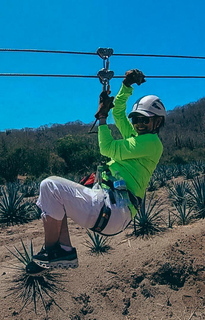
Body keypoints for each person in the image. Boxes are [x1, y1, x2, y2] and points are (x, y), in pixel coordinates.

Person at [32, 69, 166, 269]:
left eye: (145, 120)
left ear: (158, 121)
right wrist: (126, 87)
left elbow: (108, 148)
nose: (139, 124)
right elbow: (119, 113)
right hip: (111, 207)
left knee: (50, 186)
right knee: (56, 200)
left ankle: (52, 252)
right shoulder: (137, 137)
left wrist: (102, 119)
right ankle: (64, 251)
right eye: (136, 119)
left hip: (114, 208)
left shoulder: (152, 143)